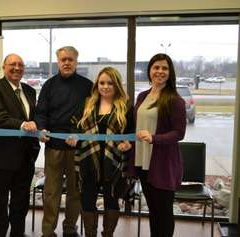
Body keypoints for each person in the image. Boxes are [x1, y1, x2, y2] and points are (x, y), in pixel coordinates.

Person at [66, 67, 134, 237]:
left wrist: (128, 143)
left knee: (112, 201)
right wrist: (73, 135)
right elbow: (74, 126)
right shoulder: (87, 104)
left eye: (110, 83)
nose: (105, 86)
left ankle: (107, 234)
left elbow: (131, 131)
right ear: (97, 84)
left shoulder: (125, 106)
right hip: (88, 161)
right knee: (87, 201)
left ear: (117, 84)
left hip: (114, 162)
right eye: (102, 83)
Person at [35, 46, 93, 237]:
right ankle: (47, 231)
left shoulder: (87, 86)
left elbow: (91, 116)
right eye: (63, 60)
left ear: (76, 61)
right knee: (52, 192)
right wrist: (41, 128)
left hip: (78, 147)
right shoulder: (49, 85)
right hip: (54, 146)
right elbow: (41, 112)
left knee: (75, 192)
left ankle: (69, 228)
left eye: (70, 59)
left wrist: (78, 133)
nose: (66, 63)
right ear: (58, 62)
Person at [0, 53, 40, 237]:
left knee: (20, 202)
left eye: (20, 65)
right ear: (4, 67)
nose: (17, 68)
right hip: (1, 158)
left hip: (26, 157)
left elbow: (34, 118)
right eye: (12, 64)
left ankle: (18, 233)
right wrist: (22, 125)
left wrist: (41, 129)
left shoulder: (30, 91)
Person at [132, 53, 186, 237]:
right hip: (142, 161)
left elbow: (179, 133)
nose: (160, 71)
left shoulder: (175, 100)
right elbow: (136, 124)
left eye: (164, 68)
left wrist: (155, 138)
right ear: (150, 71)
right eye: (156, 67)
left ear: (170, 73)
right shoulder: (142, 96)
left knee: (163, 213)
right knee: (153, 212)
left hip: (162, 164)